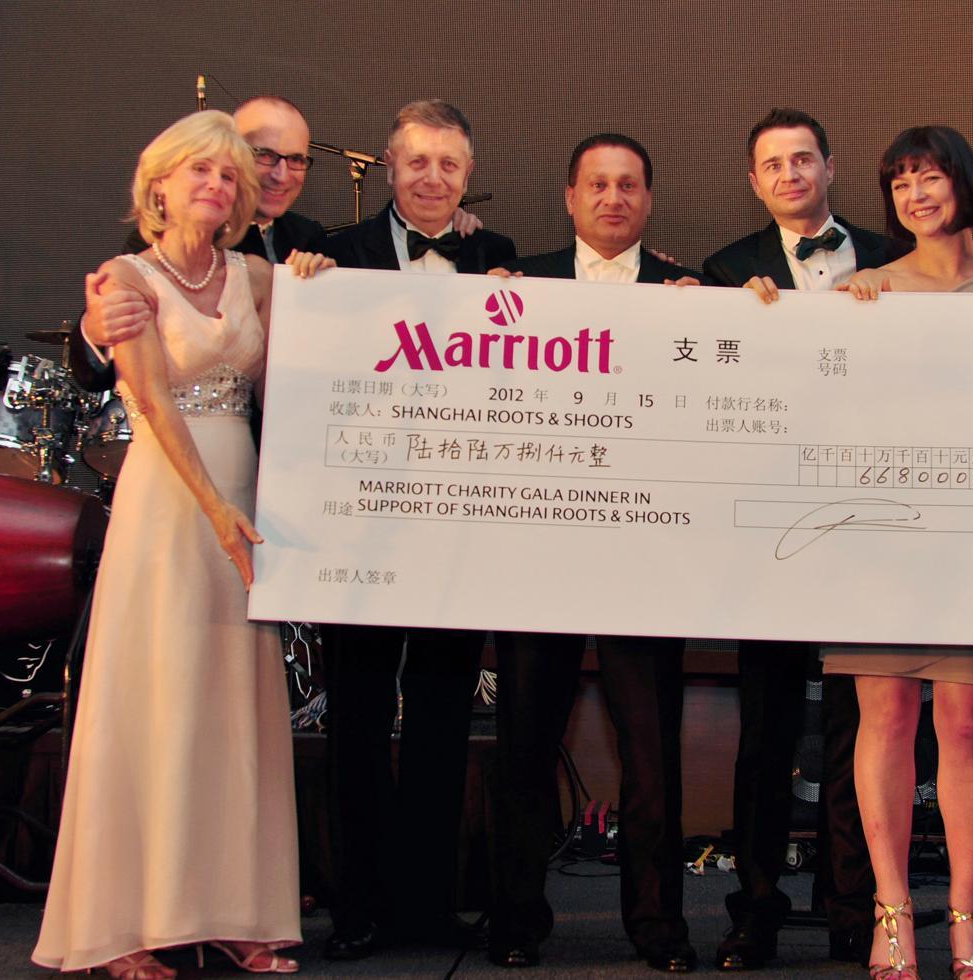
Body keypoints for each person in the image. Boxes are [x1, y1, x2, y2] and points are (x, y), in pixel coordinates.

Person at [32, 109, 322, 979]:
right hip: (169, 503)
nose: (218, 185)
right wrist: (215, 511)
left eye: (231, 175)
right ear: (158, 184)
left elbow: (301, 380)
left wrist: (316, 287)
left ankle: (235, 912)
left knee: (233, 706)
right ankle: (127, 926)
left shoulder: (258, 275)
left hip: (245, 495)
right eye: (201, 170)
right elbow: (154, 404)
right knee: (154, 699)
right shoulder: (125, 276)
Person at [485, 133, 699, 973]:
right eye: (597, 184)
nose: (613, 198)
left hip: (647, 558)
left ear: (650, 200)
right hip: (537, 555)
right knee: (523, 748)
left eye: (629, 185)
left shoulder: (690, 297)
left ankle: (659, 928)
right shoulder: (514, 286)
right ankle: (514, 923)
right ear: (570, 197)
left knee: (652, 756)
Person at [701, 107, 906, 971]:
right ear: (754, 181)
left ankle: (854, 906)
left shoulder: (896, 257)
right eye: (773, 164)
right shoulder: (725, 268)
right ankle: (755, 907)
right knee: (768, 731)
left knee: (865, 725)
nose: (790, 174)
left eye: (802, 159)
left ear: (830, 165)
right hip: (769, 528)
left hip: (870, 519)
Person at [829, 125, 973, 980]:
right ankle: (891, 912)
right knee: (885, 717)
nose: (916, 195)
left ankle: (966, 911)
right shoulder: (865, 288)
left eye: (931, 177)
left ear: (964, 183)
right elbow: (825, 399)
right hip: (881, 534)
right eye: (901, 182)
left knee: (963, 721)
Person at [315, 98, 516, 962]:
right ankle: (356, 908)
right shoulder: (331, 254)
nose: (434, 178)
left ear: (470, 176)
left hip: (454, 520)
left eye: (450, 164)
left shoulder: (498, 254)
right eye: (419, 161)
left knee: (441, 718)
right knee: (356, 719)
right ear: (390, 166)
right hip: (357, 519)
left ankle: (427, 906)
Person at [71, 95, 480, 380]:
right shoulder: (165, 243)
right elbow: (103, 376)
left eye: (296, 160)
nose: (280, 174)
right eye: (263, 155)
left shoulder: (309, 237)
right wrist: (96, 332)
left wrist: (447, 218)